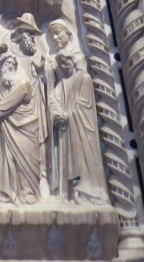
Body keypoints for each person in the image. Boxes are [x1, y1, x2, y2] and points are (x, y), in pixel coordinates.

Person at [0, 54, 43, 205]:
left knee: (24, 166)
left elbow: (5, 106)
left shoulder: (22, 84)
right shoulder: (5, 88)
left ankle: (27, 194)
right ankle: (4, 194)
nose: (8, 66)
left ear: (14, 67)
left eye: (11, 64)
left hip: (25, 130)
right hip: (7, 130)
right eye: (5, 64)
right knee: (4, 159)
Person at [49, 54, 108, 204]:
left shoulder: (84, 78)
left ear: (73, 61)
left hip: (82, 127)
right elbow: (53, 101)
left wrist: (67, 115)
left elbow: (84, 103)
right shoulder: (62, 84)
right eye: (61, 64)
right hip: (66, 128)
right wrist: (56, 114)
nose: (64, 66)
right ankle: (71, 190)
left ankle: (90, 192)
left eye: (66, 62)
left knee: (84, 157)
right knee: (68, 160)